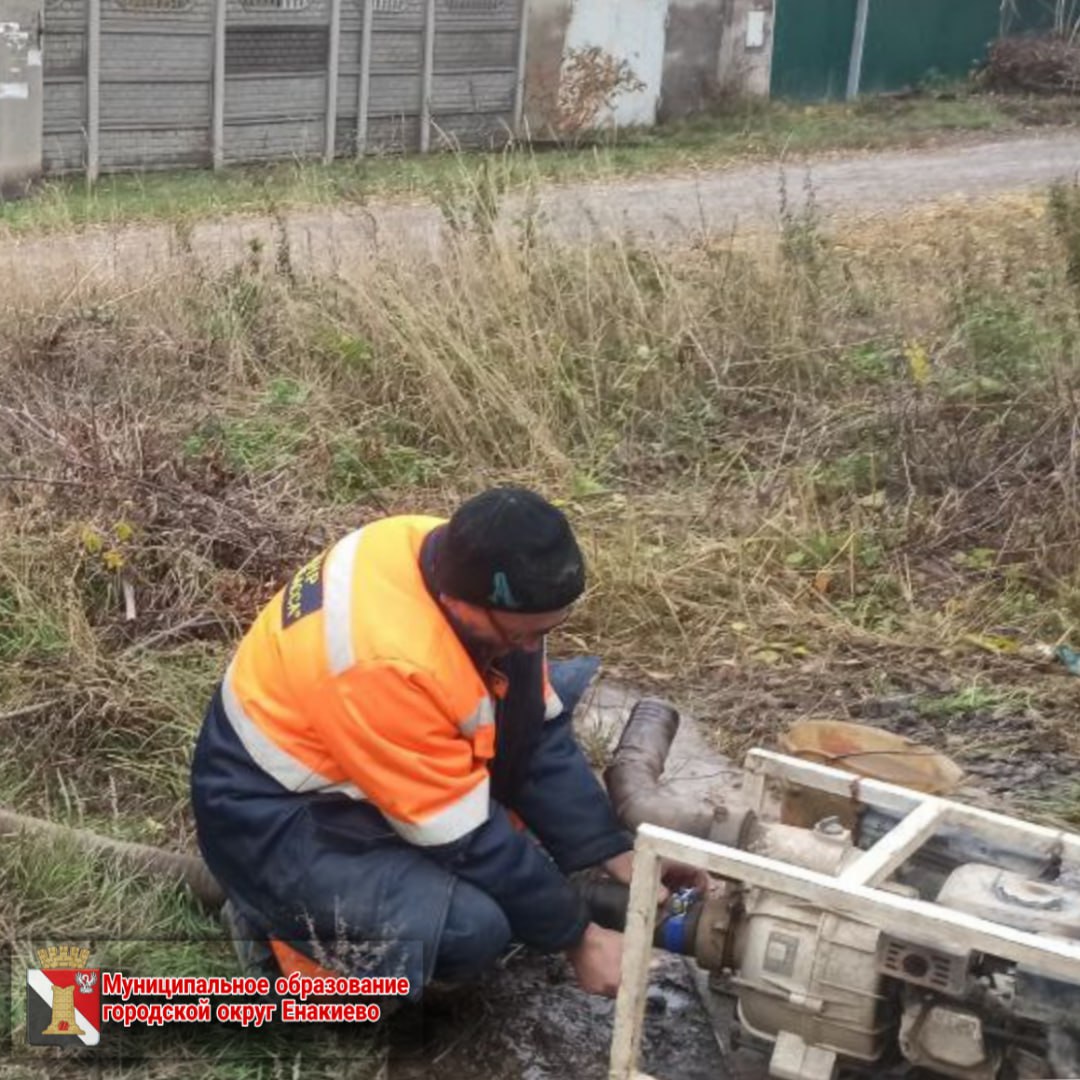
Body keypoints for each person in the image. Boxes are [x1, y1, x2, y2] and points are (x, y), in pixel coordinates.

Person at [191, 487, 673, 1000]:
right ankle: (283, 941)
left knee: (507, 861)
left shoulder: (458, 556)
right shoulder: (385, 661)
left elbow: (534, 735)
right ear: (458, 603)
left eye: (546, 630)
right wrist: (579, 937)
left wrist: (612, 849)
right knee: (470, 929)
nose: (533, 647)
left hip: (355, 762)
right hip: (268, 814)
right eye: (522, 636)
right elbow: (466, 836)